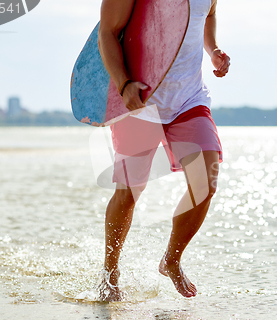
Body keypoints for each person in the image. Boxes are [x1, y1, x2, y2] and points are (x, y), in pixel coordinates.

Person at [96, 0, 230, 300]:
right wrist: (123, 84)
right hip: (140, 99)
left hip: (188, 99)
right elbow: (107, 32)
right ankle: (110, 273)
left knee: (205, 184)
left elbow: (207, 14)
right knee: (129, 191)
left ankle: (171, 260)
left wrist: (213, 49)